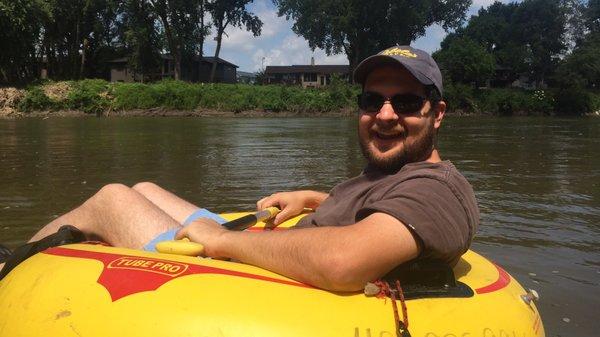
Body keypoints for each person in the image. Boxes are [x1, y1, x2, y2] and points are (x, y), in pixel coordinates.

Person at [7, 46, 479, 291]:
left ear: (438, 113)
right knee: (145, 186)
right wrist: (314, 198)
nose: (386, 115)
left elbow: (342, 262)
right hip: (258, 248)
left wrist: (222, 239)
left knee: (111, 198)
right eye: (372, 100)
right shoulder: (398, 174)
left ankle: (8, 272)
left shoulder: (435, 191)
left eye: (408, 103)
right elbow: (373, 209)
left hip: (245, 270)